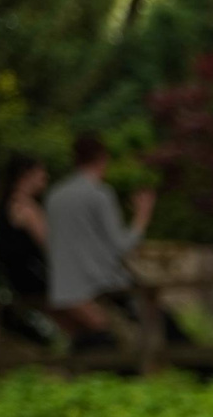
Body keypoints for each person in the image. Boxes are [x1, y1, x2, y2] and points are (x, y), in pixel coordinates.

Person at [44, 131, 157, 345]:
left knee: (88, 347)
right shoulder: (99, 194)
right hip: (100, 286)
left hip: (63, 289)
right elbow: (121, 246)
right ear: (102, 158)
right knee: (155, 322)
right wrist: (143, 215)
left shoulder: (54, 196)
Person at [0, 153, 55, 343]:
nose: (46, 177)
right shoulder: (25, 207)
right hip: (34, 279)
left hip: (17, 279)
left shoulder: (6, 203)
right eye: (41, 172)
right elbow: (50, 246)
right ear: (26, 174)